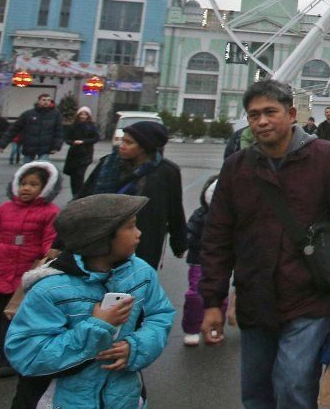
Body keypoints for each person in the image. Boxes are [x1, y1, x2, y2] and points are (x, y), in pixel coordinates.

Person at [199, 79, 330, 409]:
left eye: (270, 112)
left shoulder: (324, 158)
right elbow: (217, 237)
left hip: (308, 294)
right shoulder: (237, 168)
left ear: (292, 114)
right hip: (255, 295)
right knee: (256, 391)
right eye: (254, 115)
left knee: (294, 383)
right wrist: (213, 300)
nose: (262, 121)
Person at [5, 193, 175, 409]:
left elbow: (159, 315)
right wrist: (96, 326)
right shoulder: (50, 289)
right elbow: (27, 354)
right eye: (131, 227)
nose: (139, 233)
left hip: (123, 398)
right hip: (63, 401)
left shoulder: (141, 273)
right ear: (101, 238)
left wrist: (137, 347)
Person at [0, 161, 61, 378]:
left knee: (11, 317)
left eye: (33, 184)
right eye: (23, 183)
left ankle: (8, 360)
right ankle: (1, 338)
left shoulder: (50, 212)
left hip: (24, 273)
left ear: (45, 188)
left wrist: (47, 256)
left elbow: (50, 241)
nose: (27, 188)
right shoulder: (4, 209)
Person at [81, 121, 187, 270]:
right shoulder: (107, 164)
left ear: (145, 147)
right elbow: (82, 200)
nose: (122, 146)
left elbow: (175, 210)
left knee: (136, 286)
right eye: (122, 140)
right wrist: (60, 243)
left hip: (144, 243)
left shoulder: (166, 172)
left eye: (129, 142)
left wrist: (179, 243)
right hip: (102, 240)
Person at [182, 176, 227, 347]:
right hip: (198, 261)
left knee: (220, 295)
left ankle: (215, 325)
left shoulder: (229, 216)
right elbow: (189, 234)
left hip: (221, 263)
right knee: (195, 295)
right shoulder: (200, 215)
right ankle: (192, 328)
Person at [0, 94, 63, 163]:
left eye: (48, 100)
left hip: (45, 147)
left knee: (42, 168)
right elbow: (14, 128)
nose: (46, 102)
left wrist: (56, 146)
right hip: (29, 145)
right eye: (44, 100)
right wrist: (3, 143)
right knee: (27, 168)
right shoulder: (28, 114)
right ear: (39, 101)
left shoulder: (55, 114)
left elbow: (59, 131)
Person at [62, 107, 100, 197]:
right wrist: (73, 142)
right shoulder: (73, 126)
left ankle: (79, 195)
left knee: (79, 175)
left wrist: (84, 141)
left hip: (85, 154)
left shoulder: (92, 126)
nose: (83, 116)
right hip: (73, 153)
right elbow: (67, 138)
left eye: (85, 114)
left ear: (88, 116)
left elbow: (96, 138)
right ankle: (75, 194)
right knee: (73, 175)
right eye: (81, 114)